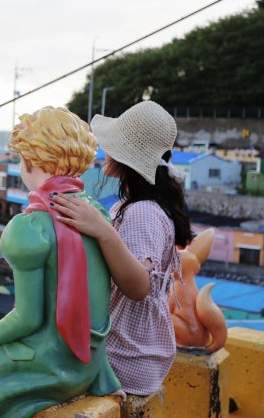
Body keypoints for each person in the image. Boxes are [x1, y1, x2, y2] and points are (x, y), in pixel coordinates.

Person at [0, 106, 120, 418]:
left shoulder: (29, 228)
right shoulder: (94, 214)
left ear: (31, 161)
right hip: (88, 366)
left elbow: (28, 319)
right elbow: (99, 304)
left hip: (48, 366)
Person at [50, 100, 192, 396]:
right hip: (133, 354)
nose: (105, 149)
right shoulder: (137, 207)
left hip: (121, 358)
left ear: (127, 157)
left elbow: (139, 286)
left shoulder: (143, 212)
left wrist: (102, 231)